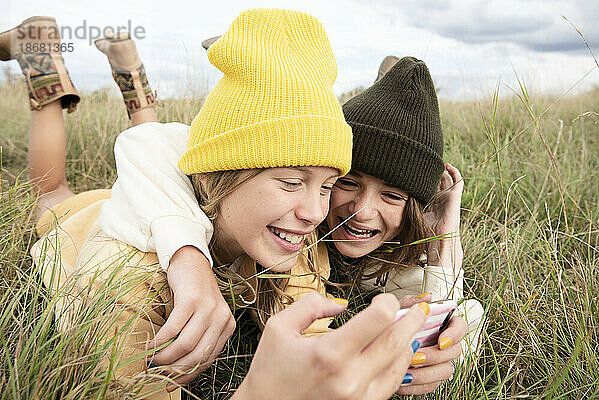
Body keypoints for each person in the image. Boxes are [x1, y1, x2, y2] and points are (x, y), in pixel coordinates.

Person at [2, 9, 431, 399]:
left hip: (191, 196)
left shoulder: (289, 244)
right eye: (290, 182)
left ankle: (128, 64)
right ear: (213, 176)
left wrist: (373, 358)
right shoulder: (123, 279)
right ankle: (36, 53)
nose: (317, 214)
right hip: (80, 221)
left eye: (325, 187)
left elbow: (315, 343)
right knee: (51, 192)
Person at [98, 37, 484, 396]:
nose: (359, 212)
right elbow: (149, 145)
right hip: (108, 214)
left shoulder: (319, 248)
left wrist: (444, 250)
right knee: (59, 195)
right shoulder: (137, 266)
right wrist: (189, 257)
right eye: (347, 183)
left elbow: (439, 308)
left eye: (326, 185)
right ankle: (199, 81)